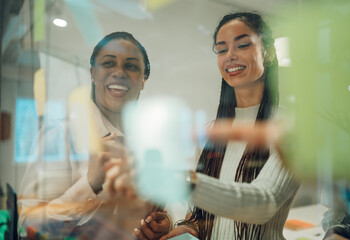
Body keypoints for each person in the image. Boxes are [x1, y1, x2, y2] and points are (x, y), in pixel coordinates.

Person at [157, 12, 300, 240]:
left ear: (269, 54)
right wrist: (186, 227)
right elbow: (200, 215)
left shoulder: (290, 128)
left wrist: (181, 180)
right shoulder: (213, 130)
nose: (230, 56)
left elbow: (262, 204)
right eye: (222, 49)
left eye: (242, 45)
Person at [18, 31, 170, 238]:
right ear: (92, 73)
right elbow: (28, 227)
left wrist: (161, 225)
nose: (119, 72)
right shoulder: (60, 135)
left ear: (143, 80)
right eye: (108, 63)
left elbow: (150, 214)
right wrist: (90, 184)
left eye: (131, 66)